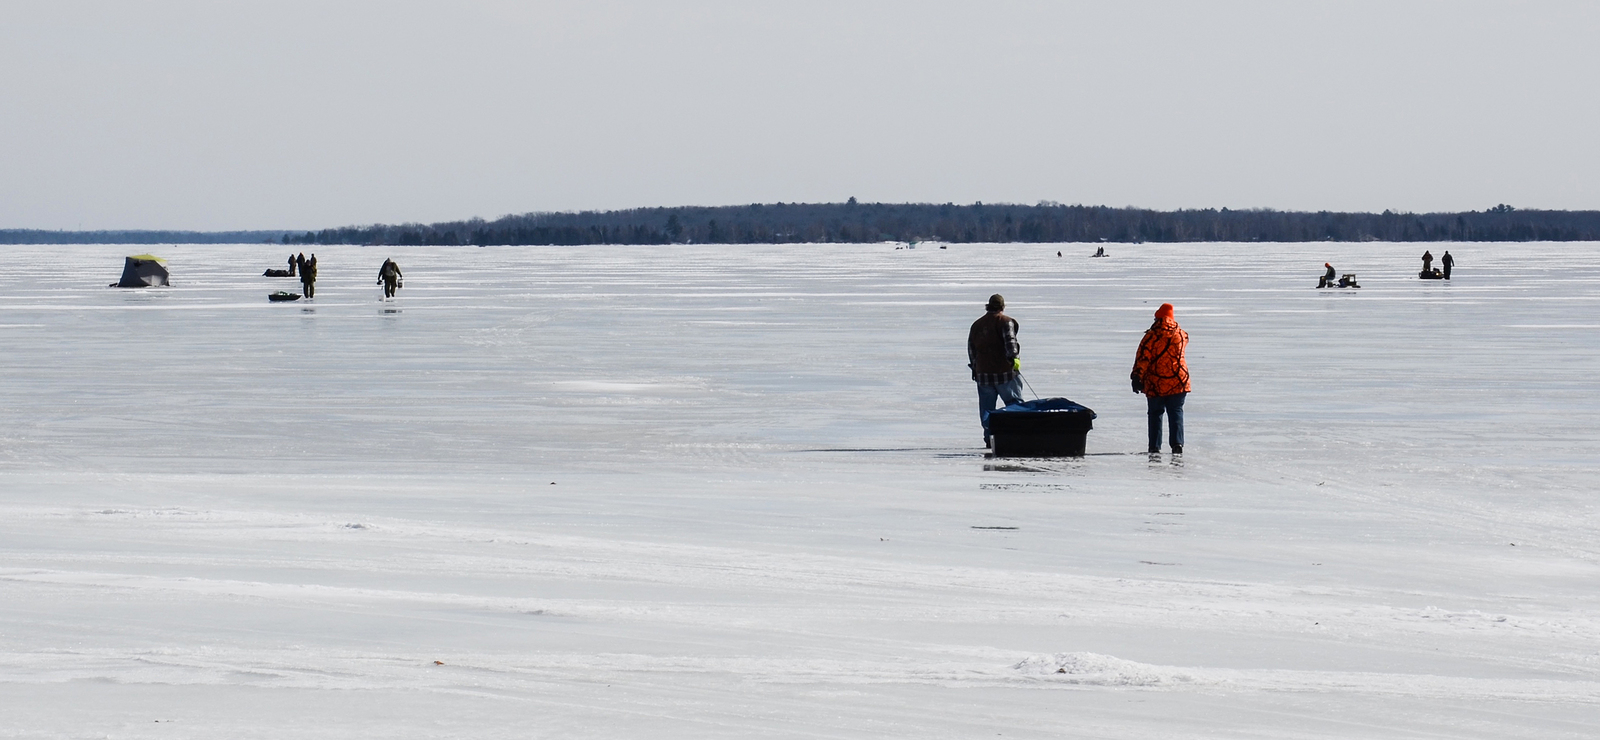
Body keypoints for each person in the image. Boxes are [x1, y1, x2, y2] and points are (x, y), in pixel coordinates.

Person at [1131, 303, 1190, 455]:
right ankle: (1177, 444)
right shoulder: (1181, 334)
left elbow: (1143, 357)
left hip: (1156, 382)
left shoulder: (1151, 336)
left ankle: (1154, 447)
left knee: (1155, 413)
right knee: (1176, 412)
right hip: (1178, 380)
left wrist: (1137, 377)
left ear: (1157, 318)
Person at [968, 293, 1023, 448]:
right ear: (1002, 306)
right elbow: (1010, 343)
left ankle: (989, 439)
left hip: (983, 375)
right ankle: (1016, 434)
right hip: (1005, 374)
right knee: (1014, 405)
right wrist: (1014, 359)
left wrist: (975, 368)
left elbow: (972, 350)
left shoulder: (977, 325)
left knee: (987, 410)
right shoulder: (1006, 322)